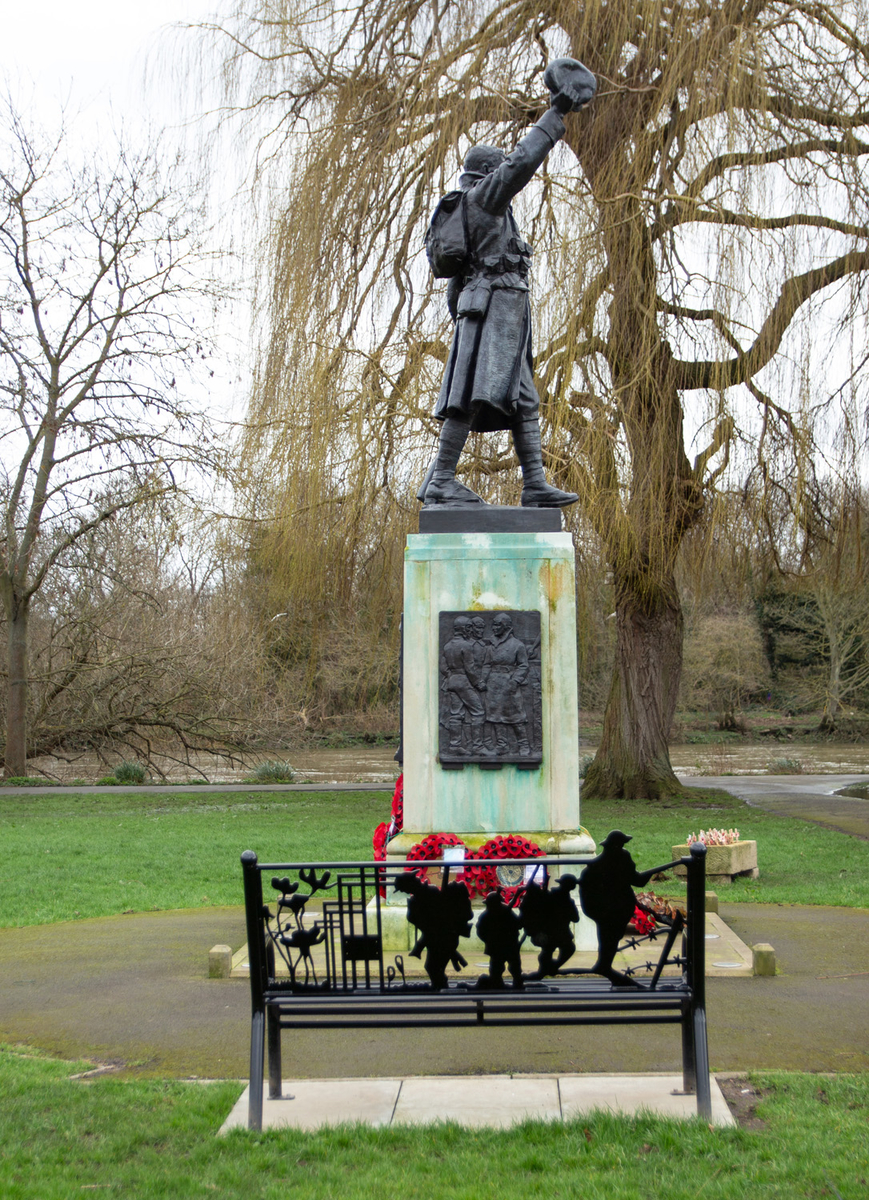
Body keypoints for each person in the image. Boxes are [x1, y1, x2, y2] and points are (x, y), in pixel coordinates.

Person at [423, 62, 596, 508]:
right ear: (490, 174)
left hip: (497, 311)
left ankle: (534, 483)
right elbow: (521, 162)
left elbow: (454, 288)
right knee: (469, 395)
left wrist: (467, 316)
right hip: (495, 308)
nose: (507, 179)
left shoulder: (477, 208)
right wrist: (557, 112)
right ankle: (441, 478)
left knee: (523, 398)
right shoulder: (484, 198)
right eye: (500, 172)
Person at [578, 830, 658, 987]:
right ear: (616, 846)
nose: (623, 847)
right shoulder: (621, 858)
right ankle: (604, 966)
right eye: (621, 844)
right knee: (610, 939)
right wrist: (653, 871)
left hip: (607, 911)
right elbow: (638, 880)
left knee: (609, 939)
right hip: (614, 910)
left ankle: (604, 965)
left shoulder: (595, 865)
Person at [484, 612, 531, 756]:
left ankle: (524, 745)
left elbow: (523, 665)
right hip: (493, 684)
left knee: (516, 716)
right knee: (496, 716)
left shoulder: (517, 645)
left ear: (506, 626)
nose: (494, 628)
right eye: (494, 624)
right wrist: (482, 680)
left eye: (498, 625)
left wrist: (515, 681)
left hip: (509, 683)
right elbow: (486, 664)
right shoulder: (491, 645)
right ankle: (502, 745)